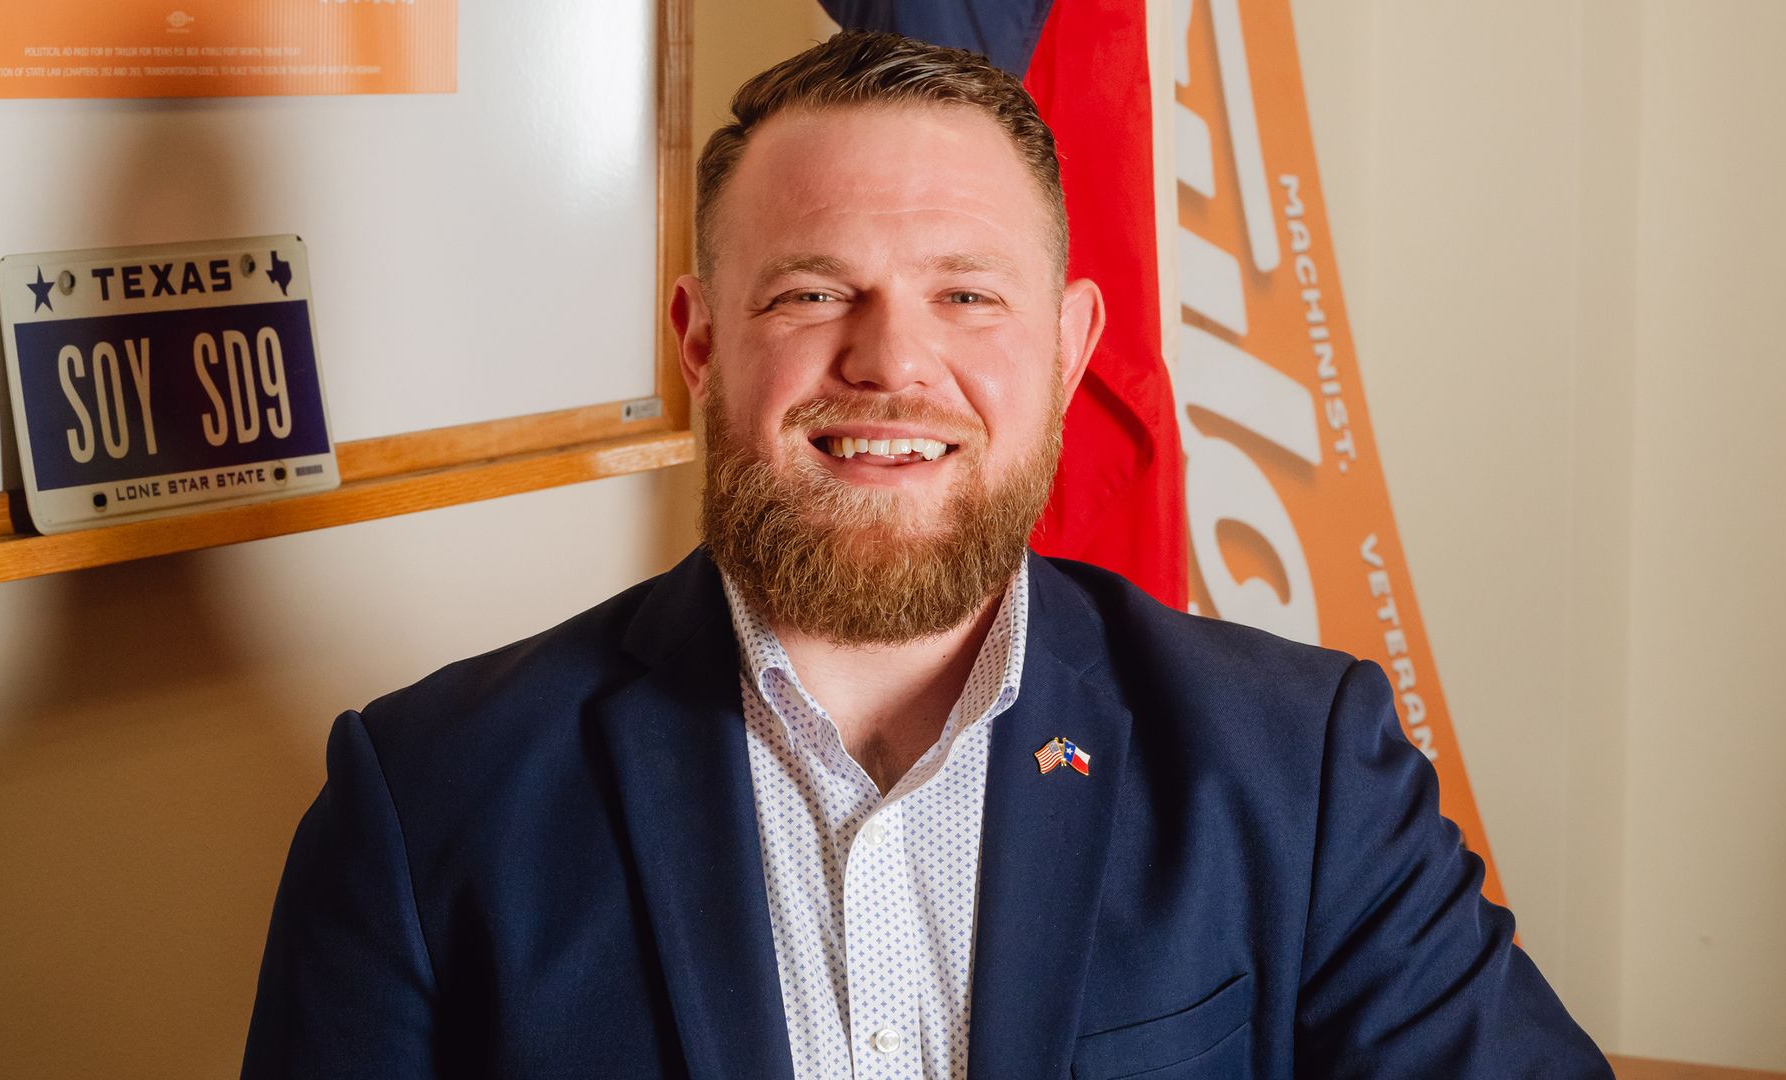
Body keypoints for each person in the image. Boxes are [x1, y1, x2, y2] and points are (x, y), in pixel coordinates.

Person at [242, 30, 1609, 1079]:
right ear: (702, 339)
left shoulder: (1299, 768)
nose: (893, 360)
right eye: (813, 291)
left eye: (966, 294)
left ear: (1071, 349)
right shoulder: (425, 803)